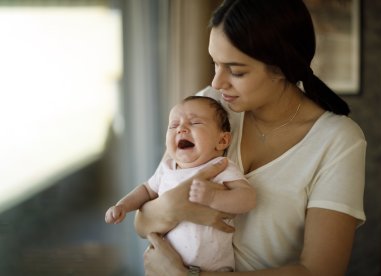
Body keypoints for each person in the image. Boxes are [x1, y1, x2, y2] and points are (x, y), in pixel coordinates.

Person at [136, 0, 367, 275]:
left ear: (281, 68)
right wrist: (174, 206)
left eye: (236, 70)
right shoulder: (209, 107)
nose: (217, 83)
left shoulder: (338, 141)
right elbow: (143, 222)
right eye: (215, 63)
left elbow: (321, 270)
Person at [105, 96, 256, 272]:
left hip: (213, 270)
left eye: (195, 123)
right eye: (173, 125)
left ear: (221, 141)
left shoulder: (220, 167)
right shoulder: (167, 167)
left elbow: (248, 198)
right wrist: (123, 205)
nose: (181, 129)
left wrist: (214, 196)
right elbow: (146, 190)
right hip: (162, 267)